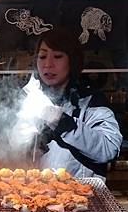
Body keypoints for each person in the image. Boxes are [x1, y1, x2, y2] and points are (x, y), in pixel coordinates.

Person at [16, 28, 122, 179]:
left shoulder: (92, 101)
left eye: (58, 56)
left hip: (81, 196)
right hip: (36, 194)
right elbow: (14, 150)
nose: (48, 64)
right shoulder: (32, 99)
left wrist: (64, 123)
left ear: (73, 61)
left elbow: (109, 149)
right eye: (42, 56)